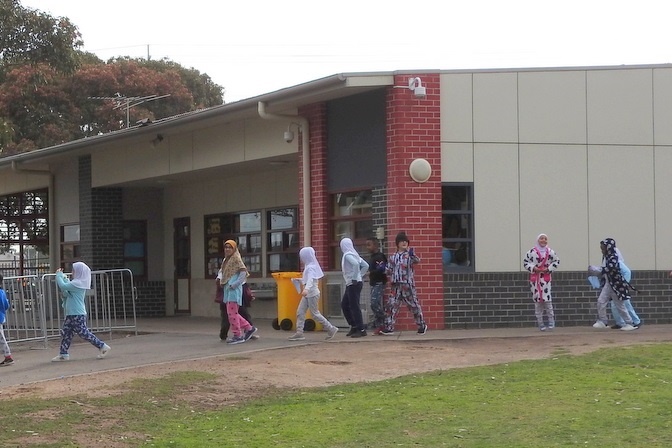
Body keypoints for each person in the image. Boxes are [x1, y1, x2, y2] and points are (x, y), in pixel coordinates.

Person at [52, 262, 111, 361]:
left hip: (77, 313)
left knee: (83, 333)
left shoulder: (78, 283)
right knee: (66, 332)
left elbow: (63, 286)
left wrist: (58, 275)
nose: (72, 272)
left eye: (74, 271)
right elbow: (67, 290)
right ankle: (63, 353)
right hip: (71, 313)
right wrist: (65, 279)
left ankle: (102, 346)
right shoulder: (77, 283)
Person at [381, 231, 427, 335]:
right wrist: (382, 268)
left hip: (407, 285)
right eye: (401, 241)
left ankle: (421, 325)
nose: (404, 243)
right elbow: (389, 270)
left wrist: (412, 255)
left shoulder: (409, 256)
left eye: (405, 241)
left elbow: (417, 260)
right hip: (396, 285)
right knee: (392, 305)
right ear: (397, 243)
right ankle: (389, 327)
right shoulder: (393, 257)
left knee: (413, 305)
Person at [288, 247, 339, 341]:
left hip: (312, 293)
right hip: (309, 294)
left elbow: (311, 279)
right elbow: (308, 279)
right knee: (300, 312)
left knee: (315, 313)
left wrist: (306, 289)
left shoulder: (311, 267)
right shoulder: (309, 266)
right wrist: (299, 280)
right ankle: (299, 332)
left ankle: (331, 328)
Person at [589, 238, 637, 331]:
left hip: (615, 285)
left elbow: (611, 269)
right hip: (609, 284)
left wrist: (598, 270)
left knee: (620, 305)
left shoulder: (613, 257)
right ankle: (603, 321)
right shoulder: (607, 257)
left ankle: (629, 322)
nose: (602, 250)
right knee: (601, 301)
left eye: (603, 247)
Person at [220, 240, 257, 344]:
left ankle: (238, 335)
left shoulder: (236, 258)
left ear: (234, 249)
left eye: (230, 247)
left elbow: (243, 272)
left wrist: (235, 284)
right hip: (228, 290)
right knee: (232, 313)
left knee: (232, 314)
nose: (227, 249)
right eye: (226, 247)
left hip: (233, 290)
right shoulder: (226, 260)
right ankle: (249, 328)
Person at [523, 234, 561, 331]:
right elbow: (525, 263)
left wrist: (548, 269)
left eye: (545, 239)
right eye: (541, 238)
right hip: (535, 280)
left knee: (548, 301)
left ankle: (551, 322)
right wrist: (533, 268)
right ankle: (541, 324)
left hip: (545, 279)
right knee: (538, 302)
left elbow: (556, 261)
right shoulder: (531, 252)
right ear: (538, 240)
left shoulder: (550, 252)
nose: (543, 240)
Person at [340, 237, 369, 338]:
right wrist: (359, 276)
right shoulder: (355, 254)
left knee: (354, 306)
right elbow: (365, 266)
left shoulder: (347, 255)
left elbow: (356, 264)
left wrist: (355, 277)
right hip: (353, 283)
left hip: (353, 283)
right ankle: (354, 325)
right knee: (345, 304)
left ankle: (361, 329)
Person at [217, 268, 257, 341]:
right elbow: (219, 280)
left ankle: (241, 333)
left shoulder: (238, 266)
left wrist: (234, 285)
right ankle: (246, 329)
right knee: (230, 315)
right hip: (228, 293)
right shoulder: (225, 267)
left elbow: (242, 279)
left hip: (234, 293)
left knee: (236, 314)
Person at [365, 237, 388, 335]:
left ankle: (384, 320)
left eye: (369, 245)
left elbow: (381, 269)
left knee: (374, 303)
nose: (367, 247)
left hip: (379, 282)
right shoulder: (372, 257)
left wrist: (371, 273)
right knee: (375, 304)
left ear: (375, 245)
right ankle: (380, 324)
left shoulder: (379, 257)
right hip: (374, 283)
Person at [0, 275, 14, 366]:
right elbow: (6, 305)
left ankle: (8, 356)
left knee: (1, 338)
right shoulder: (2, 292)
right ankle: (8, 356)